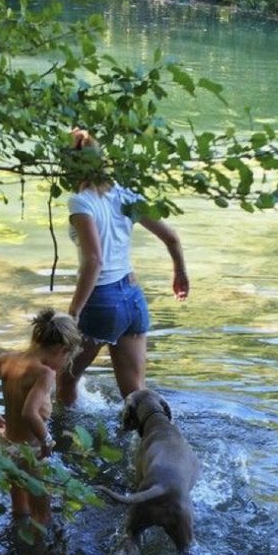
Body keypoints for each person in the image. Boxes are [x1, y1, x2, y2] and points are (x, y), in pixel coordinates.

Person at [57, 126, 190, 406]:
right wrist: (180, 273)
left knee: (65, 378)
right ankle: (149, 439)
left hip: (102, 301)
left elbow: (94, 260)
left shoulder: (81, 202)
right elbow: (172, 237)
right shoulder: (126, 195)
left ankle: (66, 442)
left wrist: (74, 311)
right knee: (134, 393)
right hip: (133, 297)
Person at [0, 307, 82, 526]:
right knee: (42, 517)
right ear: (62, 349)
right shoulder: (45, 374)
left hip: (7, 447)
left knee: (20, 510)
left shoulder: (7, 359)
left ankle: (18, 547)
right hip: (31, 454)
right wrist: (47, 441)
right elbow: (29, 413)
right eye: (68, 358)